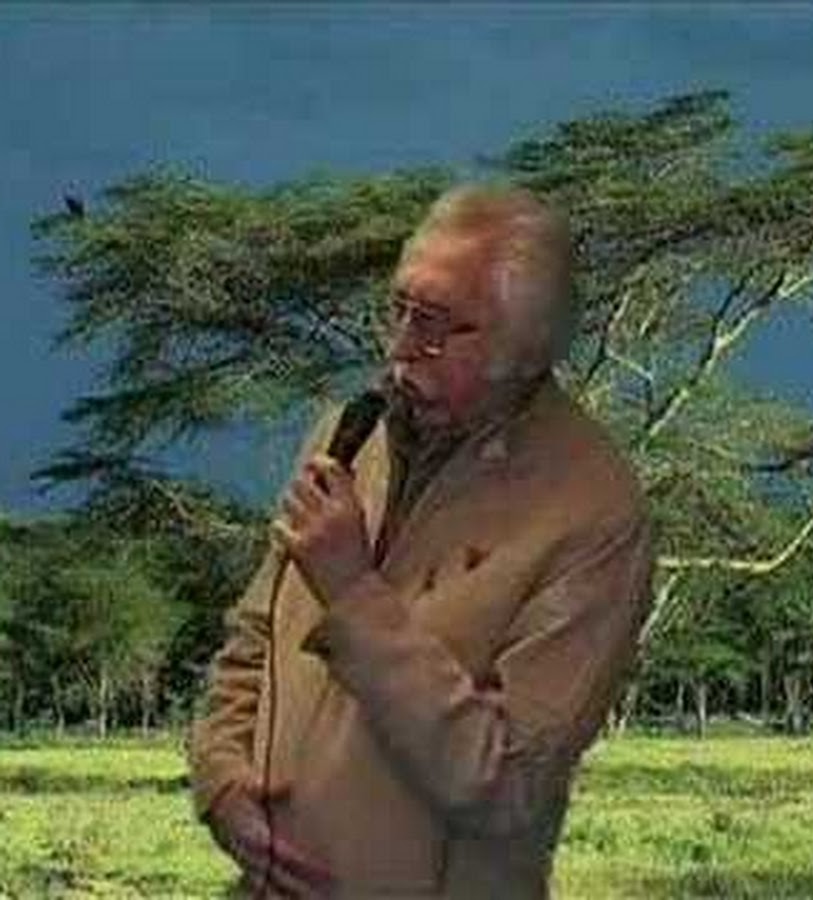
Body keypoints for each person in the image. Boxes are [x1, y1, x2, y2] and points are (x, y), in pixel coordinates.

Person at [188, 184, 654, 899]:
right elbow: (254, 640)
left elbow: (507, 786)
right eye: (398, 310)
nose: (400, 348)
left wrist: (352, 592)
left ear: (525, 349)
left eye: (435, 327)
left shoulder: (595, 509)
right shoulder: (350, 434)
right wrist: (221, 781)